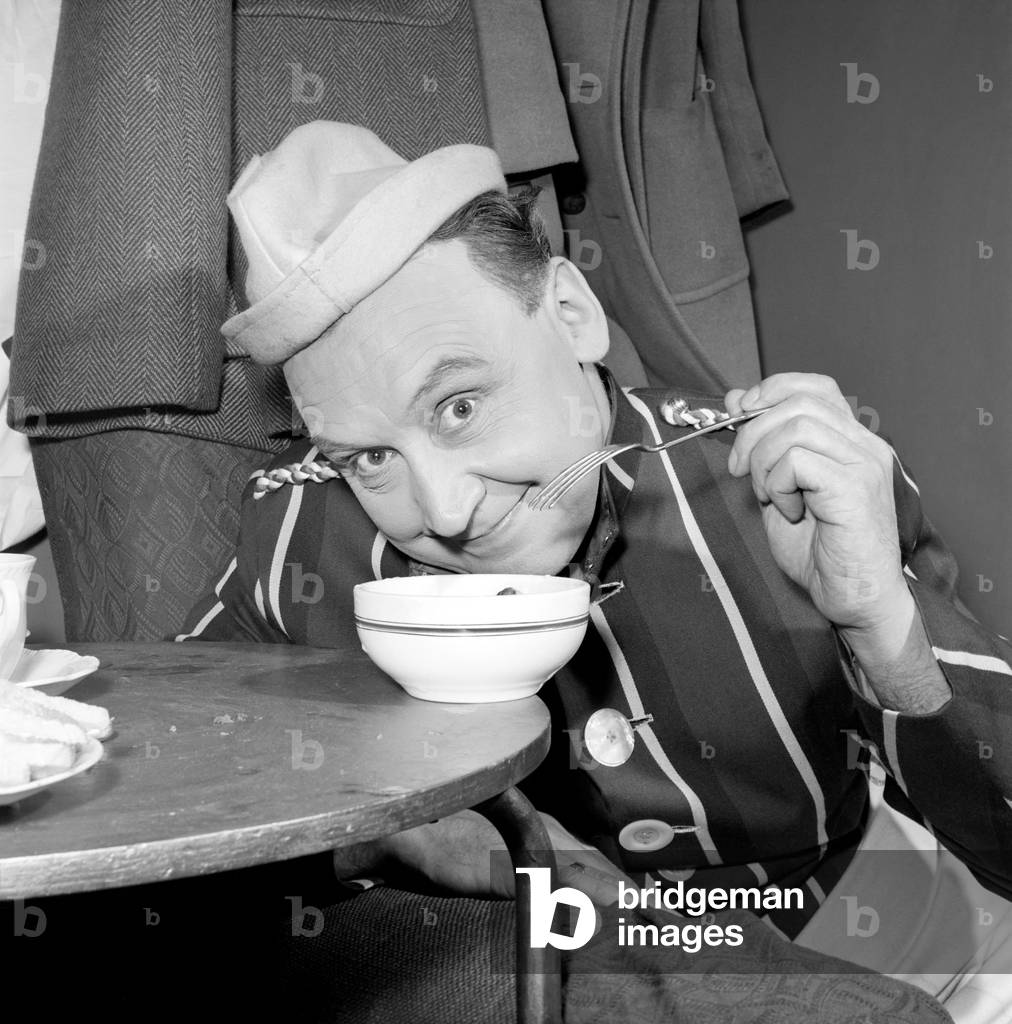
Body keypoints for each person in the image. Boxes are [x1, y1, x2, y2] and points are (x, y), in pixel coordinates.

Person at [179, 121, 1012, 1022]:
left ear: (572, 314)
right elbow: (177, 811)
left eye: (459, 405)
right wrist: (381, 837)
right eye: (368, 458)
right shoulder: (295, 535)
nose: (446, 511)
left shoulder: (782, 486)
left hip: (893, 946)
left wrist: (879, 623)